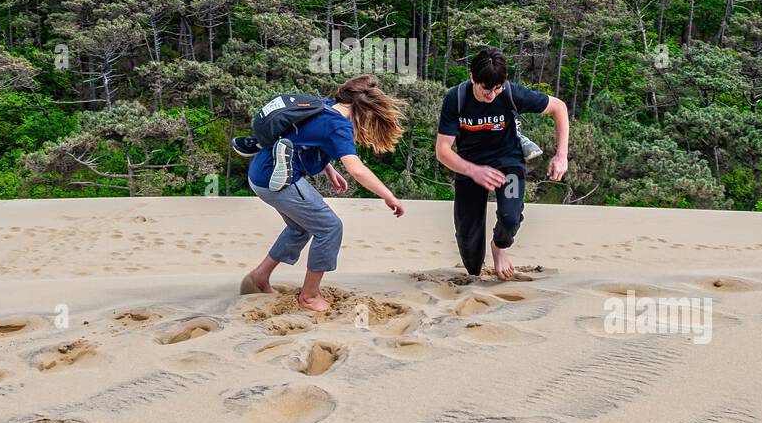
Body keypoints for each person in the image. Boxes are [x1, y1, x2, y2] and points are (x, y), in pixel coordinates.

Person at [236, 75, 406, 312]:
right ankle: (310, 296)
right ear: (363, 109)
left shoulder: (323, 106)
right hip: (278, 181)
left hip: (260, 172)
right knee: (329, 227)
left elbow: (306, 138)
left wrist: (328, 169)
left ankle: (258, 278)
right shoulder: (340, 126)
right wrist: (388, 195)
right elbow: (357, 170)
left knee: (301, 227)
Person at [435, 48, 568, 280]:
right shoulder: (456, 99)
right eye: (486, 88)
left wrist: (561, 155)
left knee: (511, 216)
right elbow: (442, 150)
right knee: (468, 242)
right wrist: (473, 170)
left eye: (497, 88)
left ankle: (499, 247)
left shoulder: (510, 94)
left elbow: (559, 107)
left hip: (509, 164)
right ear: (472, 77)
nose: (492, 95)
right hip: (469, 167)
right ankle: (474, 278)